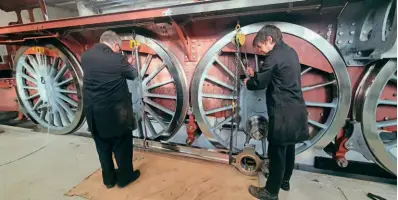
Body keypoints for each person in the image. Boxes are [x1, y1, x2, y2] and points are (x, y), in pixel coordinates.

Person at [244, 25, 310, 200]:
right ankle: (284, 181)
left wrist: (249, 82)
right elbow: (277, 75)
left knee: (277, 153)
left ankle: (270, 192)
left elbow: (260, 83)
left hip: (282, 112)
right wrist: (256, 74)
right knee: (289, 149)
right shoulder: (290, 51)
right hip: (296, 109)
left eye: (259, 47)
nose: (260, 51)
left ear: (269, 40)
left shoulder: (273, 56)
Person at [81, 30, 140, 189]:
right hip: (115, 114)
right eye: (119, 48)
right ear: (115, 44)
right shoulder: (117, 58)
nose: (119, 51)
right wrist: (129, 63)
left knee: (102, 148)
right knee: (122, 147)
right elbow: (133, 74)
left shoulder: (85, 56)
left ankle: (108, 180)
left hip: (93, 113)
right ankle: (124, 178)